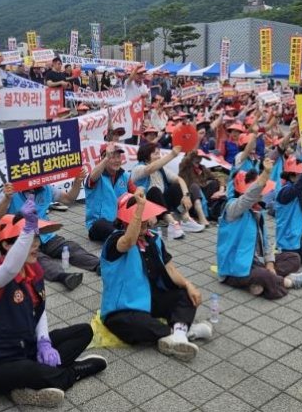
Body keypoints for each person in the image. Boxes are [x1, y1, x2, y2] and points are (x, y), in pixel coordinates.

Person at [0, 205, 106, 408]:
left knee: (84, 331)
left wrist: (44, 342)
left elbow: (39, 311)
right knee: (30, 371)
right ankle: (72, 372)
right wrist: (26, 231)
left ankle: (33, 381)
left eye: (36, 238)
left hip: (28, 347)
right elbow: (9, 268)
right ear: (7, 245)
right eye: (29, 239)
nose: (36, 245)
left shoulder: (34, 271)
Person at [100, 190, 213, 361]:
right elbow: (128, 241)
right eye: (140, 215)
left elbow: (171, 269)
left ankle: (178, 337)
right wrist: (139, 210)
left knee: (185, 295)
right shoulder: (114, 240)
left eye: (146, 214)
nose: (145, 220)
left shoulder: (153, 239)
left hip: (149, 301)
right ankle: (184, 332)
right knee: (135, 323)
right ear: (125, 218)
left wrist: (189, 285)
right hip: (122, 309)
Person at [217, 159, 302, 299]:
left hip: (258, 262)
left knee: (293, 258)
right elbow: (247, 198)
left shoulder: (257, 212)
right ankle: (289, 282)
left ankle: (264, 281)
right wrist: (266, 173)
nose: (263, 194)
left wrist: (270, 264)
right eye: (260, 192)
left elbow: (266, 245)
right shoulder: (232, 209)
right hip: (234, 269)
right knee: (262, 275)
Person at [0, 179, 97, 291]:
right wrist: (7, 199)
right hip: (22, 239)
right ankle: (63, 277)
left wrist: (78, 181)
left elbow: (68, 199)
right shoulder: (10, 190)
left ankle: (99, 265)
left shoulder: (46, 188)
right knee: (39, 259)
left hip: (45, 234)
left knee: (70, 247)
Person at [130, 143, 204, 237]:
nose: (159, 156)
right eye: (156, 154)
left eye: (159, 153)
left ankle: (185, 220)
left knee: (176, 187)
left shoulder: (161, 169)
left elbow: (179, 179)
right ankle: (172, 224)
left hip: (163, 206)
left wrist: (186, 196)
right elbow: (150, 169)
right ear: (146, 155)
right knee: (154, 190)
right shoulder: (138, 168)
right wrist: (172, 155)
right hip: (147, 208)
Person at [85, 143, 132, 243]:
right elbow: (92, 177)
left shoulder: (125, 176)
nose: (117, 160)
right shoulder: (97, 175)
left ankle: (123, 237)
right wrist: (106, 158)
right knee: (101, 224)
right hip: (98, 225)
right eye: (112, 157)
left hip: (120, 222)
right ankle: (123, 239)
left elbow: (136, 194)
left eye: (118, 157)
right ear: (103, 158)